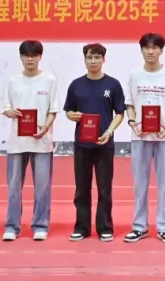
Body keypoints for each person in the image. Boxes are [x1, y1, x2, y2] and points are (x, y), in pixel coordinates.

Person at [62, 43, 126, 242]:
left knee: (104, 188)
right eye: (89, 57)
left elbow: (120, 113)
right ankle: (81, 227)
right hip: (82, 144)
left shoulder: (113, 85)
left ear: (103, 60)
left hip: (104, 144)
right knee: (82, 188)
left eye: (97, 57)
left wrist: (109, 132)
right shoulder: (76, 85)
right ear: (84, 60)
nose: (93, 61)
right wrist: (71, 116)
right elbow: (68, 110)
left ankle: (104, 227)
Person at [124, 33, 165, 244]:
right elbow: (129, 103)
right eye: (146, 47)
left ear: (161, 50)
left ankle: (164, 227)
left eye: (154, 47)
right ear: (141, 50)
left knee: (164, 184)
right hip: (140, 136)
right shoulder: (134, 74)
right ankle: (139, 226)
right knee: (140, 184)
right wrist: (133, 123)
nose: (150, 51)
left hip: (164, 136)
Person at [1, 39, 59, 241]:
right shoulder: (13, 81)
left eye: (34, 55)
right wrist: (9, 112)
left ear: (40, 57)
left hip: (42, 141)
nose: (30, 59)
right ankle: (12, 226)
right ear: (21, 57)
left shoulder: (49, 80)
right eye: (26, 55)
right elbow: (6, 107)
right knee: (14, 187)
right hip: (17, 143)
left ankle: (40, 225)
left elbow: (53, 110)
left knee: (42, 187)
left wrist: (45, 128)